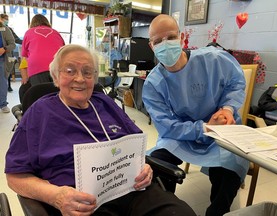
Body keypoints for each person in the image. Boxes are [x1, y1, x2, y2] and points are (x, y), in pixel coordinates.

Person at [5, 44, 196, 216]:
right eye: (70, 71)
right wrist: (56, 196)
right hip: (80, 202)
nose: (80, 79)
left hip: (131, 188)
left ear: (95, 78)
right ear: (55, 76)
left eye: (88, 72)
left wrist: (143, 166)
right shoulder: (40, 112)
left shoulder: (104, 102)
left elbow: (135, 145)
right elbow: (15, 176)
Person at [142, 14, 249, 216]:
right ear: (152, 46)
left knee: (228, 170)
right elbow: (168, 126)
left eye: (171, 37)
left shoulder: (214, 59)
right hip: (183, 135)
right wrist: (204, 128)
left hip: (221, 130)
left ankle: (217, 211)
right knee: (155, 163)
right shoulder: (153, 84)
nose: (165, 44)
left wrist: (227, 108)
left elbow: (236, 82)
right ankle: (167, 208)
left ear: (181, 38)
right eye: (158, 41)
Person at [21, 14, 64, 86]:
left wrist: (25, 76)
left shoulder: (29, 32)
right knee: (57, 93)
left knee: (40, 93)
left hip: (37, 66)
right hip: (57, 65)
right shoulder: (55, 32)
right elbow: (63, 50)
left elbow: (24, 56)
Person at [0, 13, 23, 92]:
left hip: (9, 53)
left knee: (9, 70)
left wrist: (25, 42)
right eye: (5, 19)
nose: (6, 21)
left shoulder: (8, 29)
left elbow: (16, 39)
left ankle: (8, 86)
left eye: (7, 19)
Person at [0, 17, 15, 113]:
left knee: (2, 83)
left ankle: (3, 104)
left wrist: (4, 49)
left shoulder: (5, 29)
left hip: (2, 60)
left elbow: (12, 44)